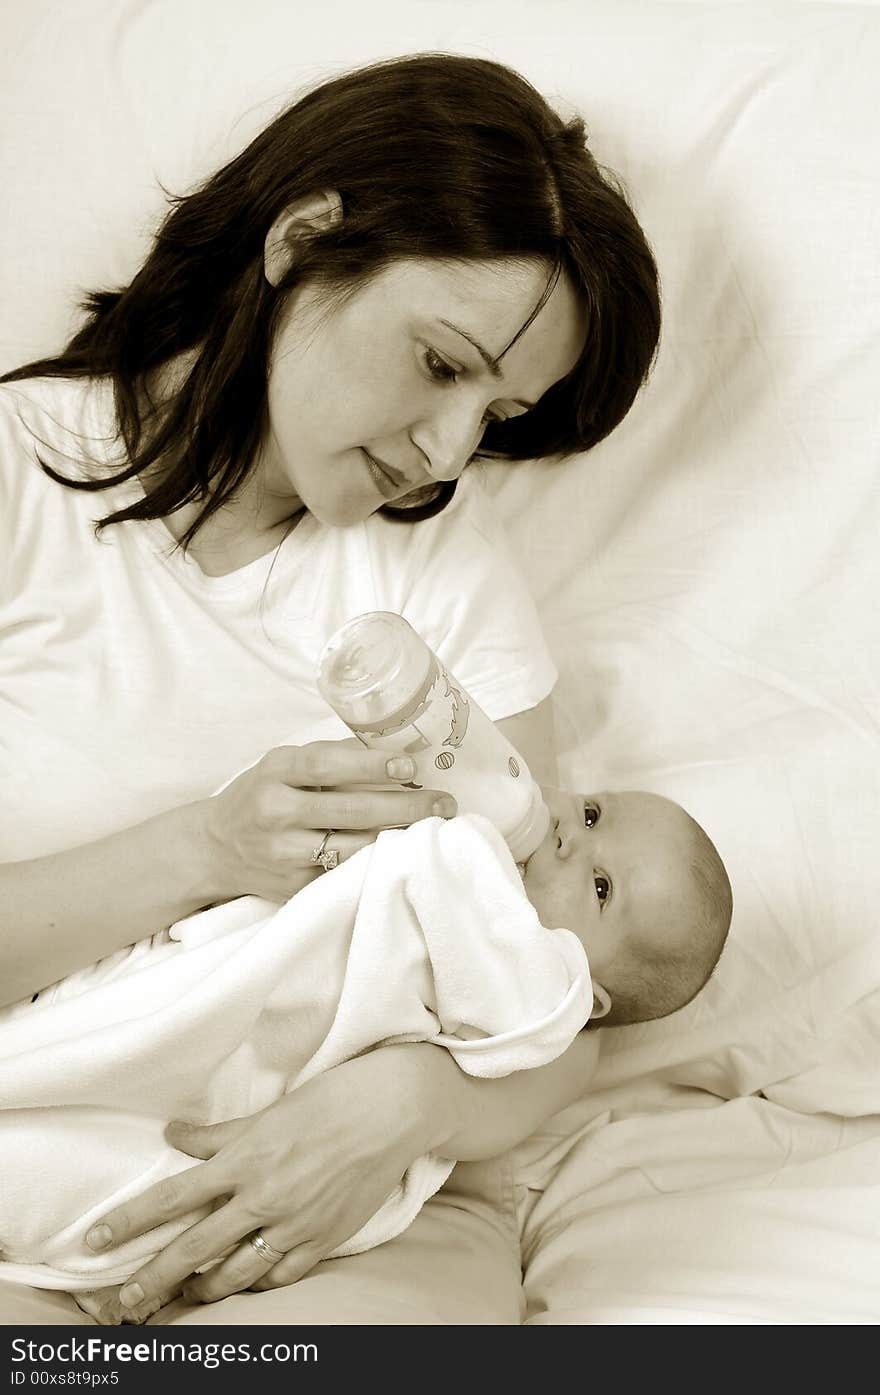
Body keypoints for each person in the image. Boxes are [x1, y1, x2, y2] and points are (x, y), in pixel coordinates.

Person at [0, 52, 662, 1325]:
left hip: (348, 1200)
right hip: (48, 1145)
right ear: (302, 242)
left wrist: (407, 1106)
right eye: (438, 363)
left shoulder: (445, 577)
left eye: (500, 411)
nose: (450, 449)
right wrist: (204, 847)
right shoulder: (25, 485)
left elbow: (559, 979)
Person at [0, 788, 731, 1326]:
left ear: (586, 997)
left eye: (601, 886)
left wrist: (413, 1096)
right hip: (192, 992)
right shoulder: (496, 813)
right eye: (594, 812)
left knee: (104, 1152)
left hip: (306, 1126)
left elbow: (546, 1032)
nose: (571, 835)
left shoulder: (538, 986)